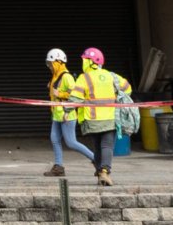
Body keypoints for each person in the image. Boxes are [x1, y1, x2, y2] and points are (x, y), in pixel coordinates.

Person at [72, 47, 132, 184]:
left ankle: (100, 172)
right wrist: (117, 95)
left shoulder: (84, 78)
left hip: (92, 120)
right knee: (107, 146)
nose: (83, 62)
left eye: (85, 60)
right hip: (110, 119)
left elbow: (75, 99)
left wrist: (68, 109)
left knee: (98, 147)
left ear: (90, 62)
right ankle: (105, 172)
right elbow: (128, 88)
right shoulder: (112, 76)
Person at [43, 48, 80, 178]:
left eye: (51, 63)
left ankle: (96, 159)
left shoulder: (67, 76)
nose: (49, 66)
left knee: (71, 142)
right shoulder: (56, 76)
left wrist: (60, 93)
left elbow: (75, 95)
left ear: (58, 62)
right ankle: (58, 167)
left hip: (66, 115)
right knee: (54, 139)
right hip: (57, 115)